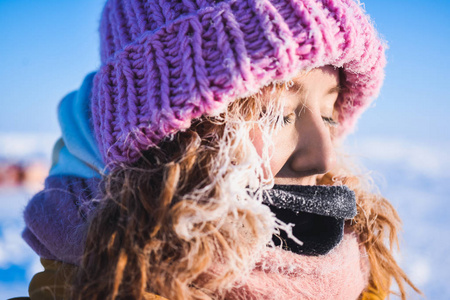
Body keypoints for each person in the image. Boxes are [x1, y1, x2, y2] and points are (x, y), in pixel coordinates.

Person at [21, 0, 421, 299]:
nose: (321, 157)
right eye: (275, 114)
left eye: (329, 114)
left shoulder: (355, 268)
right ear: (168, 138)